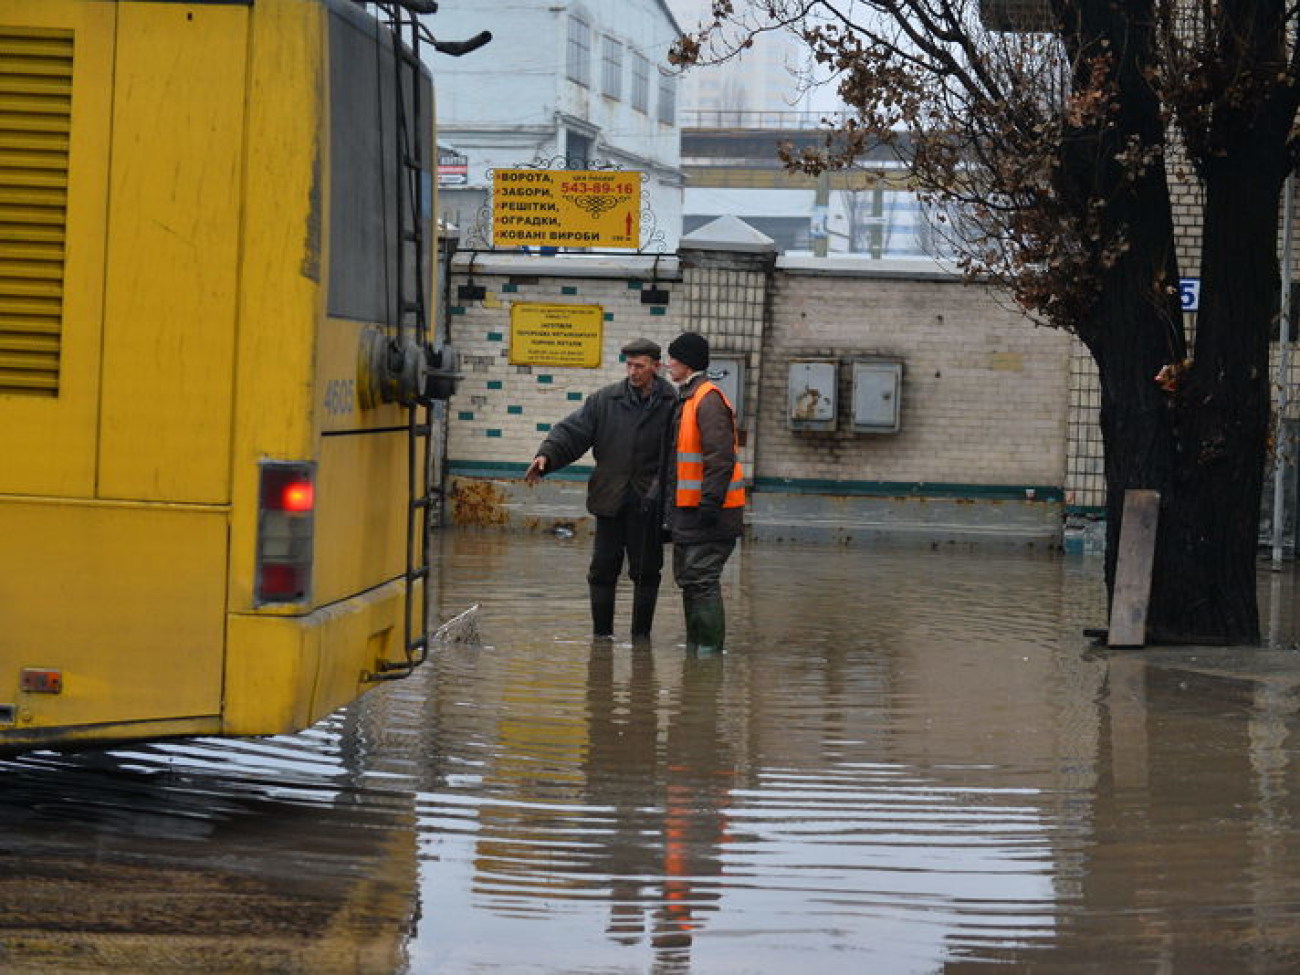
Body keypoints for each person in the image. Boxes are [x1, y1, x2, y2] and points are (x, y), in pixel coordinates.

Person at [525, 337, 675, 638]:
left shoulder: (672, 404)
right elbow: (572, 431)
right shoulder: (605, 400)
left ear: (656, 367)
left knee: (645, 574)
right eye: (629, 365)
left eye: (640, 366)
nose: (633, 372)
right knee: (602, 571)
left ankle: (640, 641)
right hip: (610, 498)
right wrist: (547, 455)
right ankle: (601, 639)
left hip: (648, 502)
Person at [661, 332, 745, 655]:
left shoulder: (707, 400)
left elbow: (719, 460)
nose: (668, 365)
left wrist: (709, 506)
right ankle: (696, 656)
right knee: (692, 582)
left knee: (702, 582)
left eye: (672, 359)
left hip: (709, 514)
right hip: (691, 512)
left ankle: (707, 657)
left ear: (685, 363)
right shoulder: (690, 397)